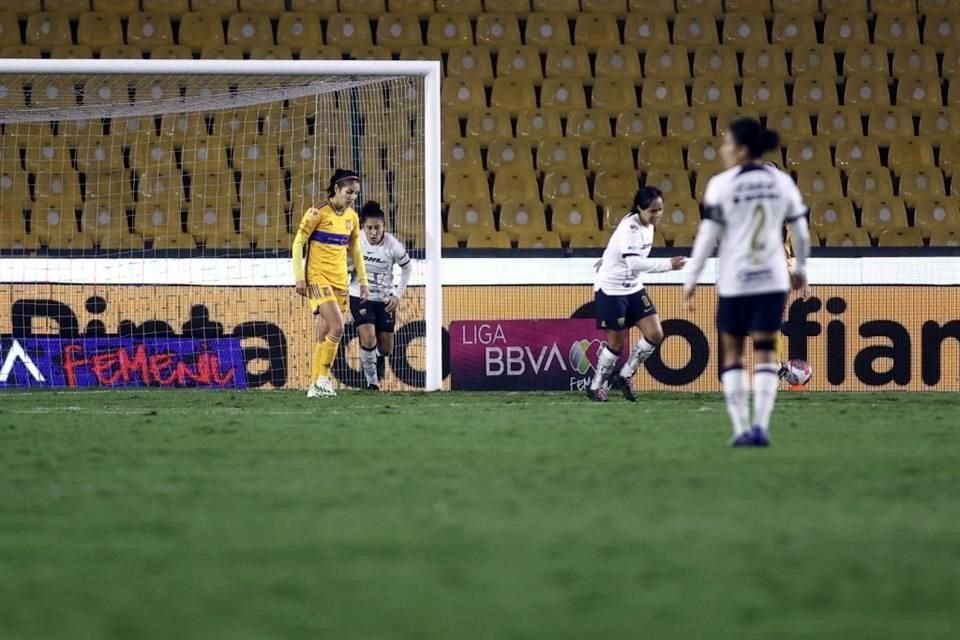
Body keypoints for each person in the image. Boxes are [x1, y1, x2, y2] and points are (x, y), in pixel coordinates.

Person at [683, 118, 811, 447]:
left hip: (736, 279)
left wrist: (692, 279)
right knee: (767, 351)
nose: (724, 149)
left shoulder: (722, 184)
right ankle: (761, 426)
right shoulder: (782, 183)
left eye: (727, 143)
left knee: (733, 354)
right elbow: (800, 231)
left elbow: (706, 238)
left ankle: (741, 429)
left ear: (741, 149)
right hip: (772, 278)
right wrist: (802, 269)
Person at [587, 186, 687, 402]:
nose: (657, 215)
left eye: (660, 210)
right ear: (640, 209)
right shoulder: (631, 228)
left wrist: (607, 257)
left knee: (655, 334)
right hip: (612, 289)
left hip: (632, 287)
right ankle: (595, 386)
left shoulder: (646, 224)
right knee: (615, 344)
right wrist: (667, 265)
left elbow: (617, 245)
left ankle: (625, 375)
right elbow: (634, 263)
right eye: (653, 211)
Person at [292, 169, 369, 398]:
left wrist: (362, 280)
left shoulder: (352, 218)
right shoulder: (317, 212)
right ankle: (324, 379)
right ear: (336, 188)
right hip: (318, 278)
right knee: (337, 326)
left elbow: (355, 250)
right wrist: (299, 276)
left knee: (325, 332)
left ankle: (315, 385)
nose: (352, 197)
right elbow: (298, 243)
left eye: (355, 194)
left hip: (341, 281)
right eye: (348, 192)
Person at [348, 201, 413, 390]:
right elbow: (341, 261)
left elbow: (407, 268)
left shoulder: (393, 245)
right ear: (363, 227)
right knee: (368, 338)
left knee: (385, 349)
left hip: (384, 299)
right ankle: (372, 382)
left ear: (384, 226)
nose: (374, 232)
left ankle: (373, 357)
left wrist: (397, 295)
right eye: (369, 228)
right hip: (360, 296)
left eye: (377, 227)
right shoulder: (355, 241)